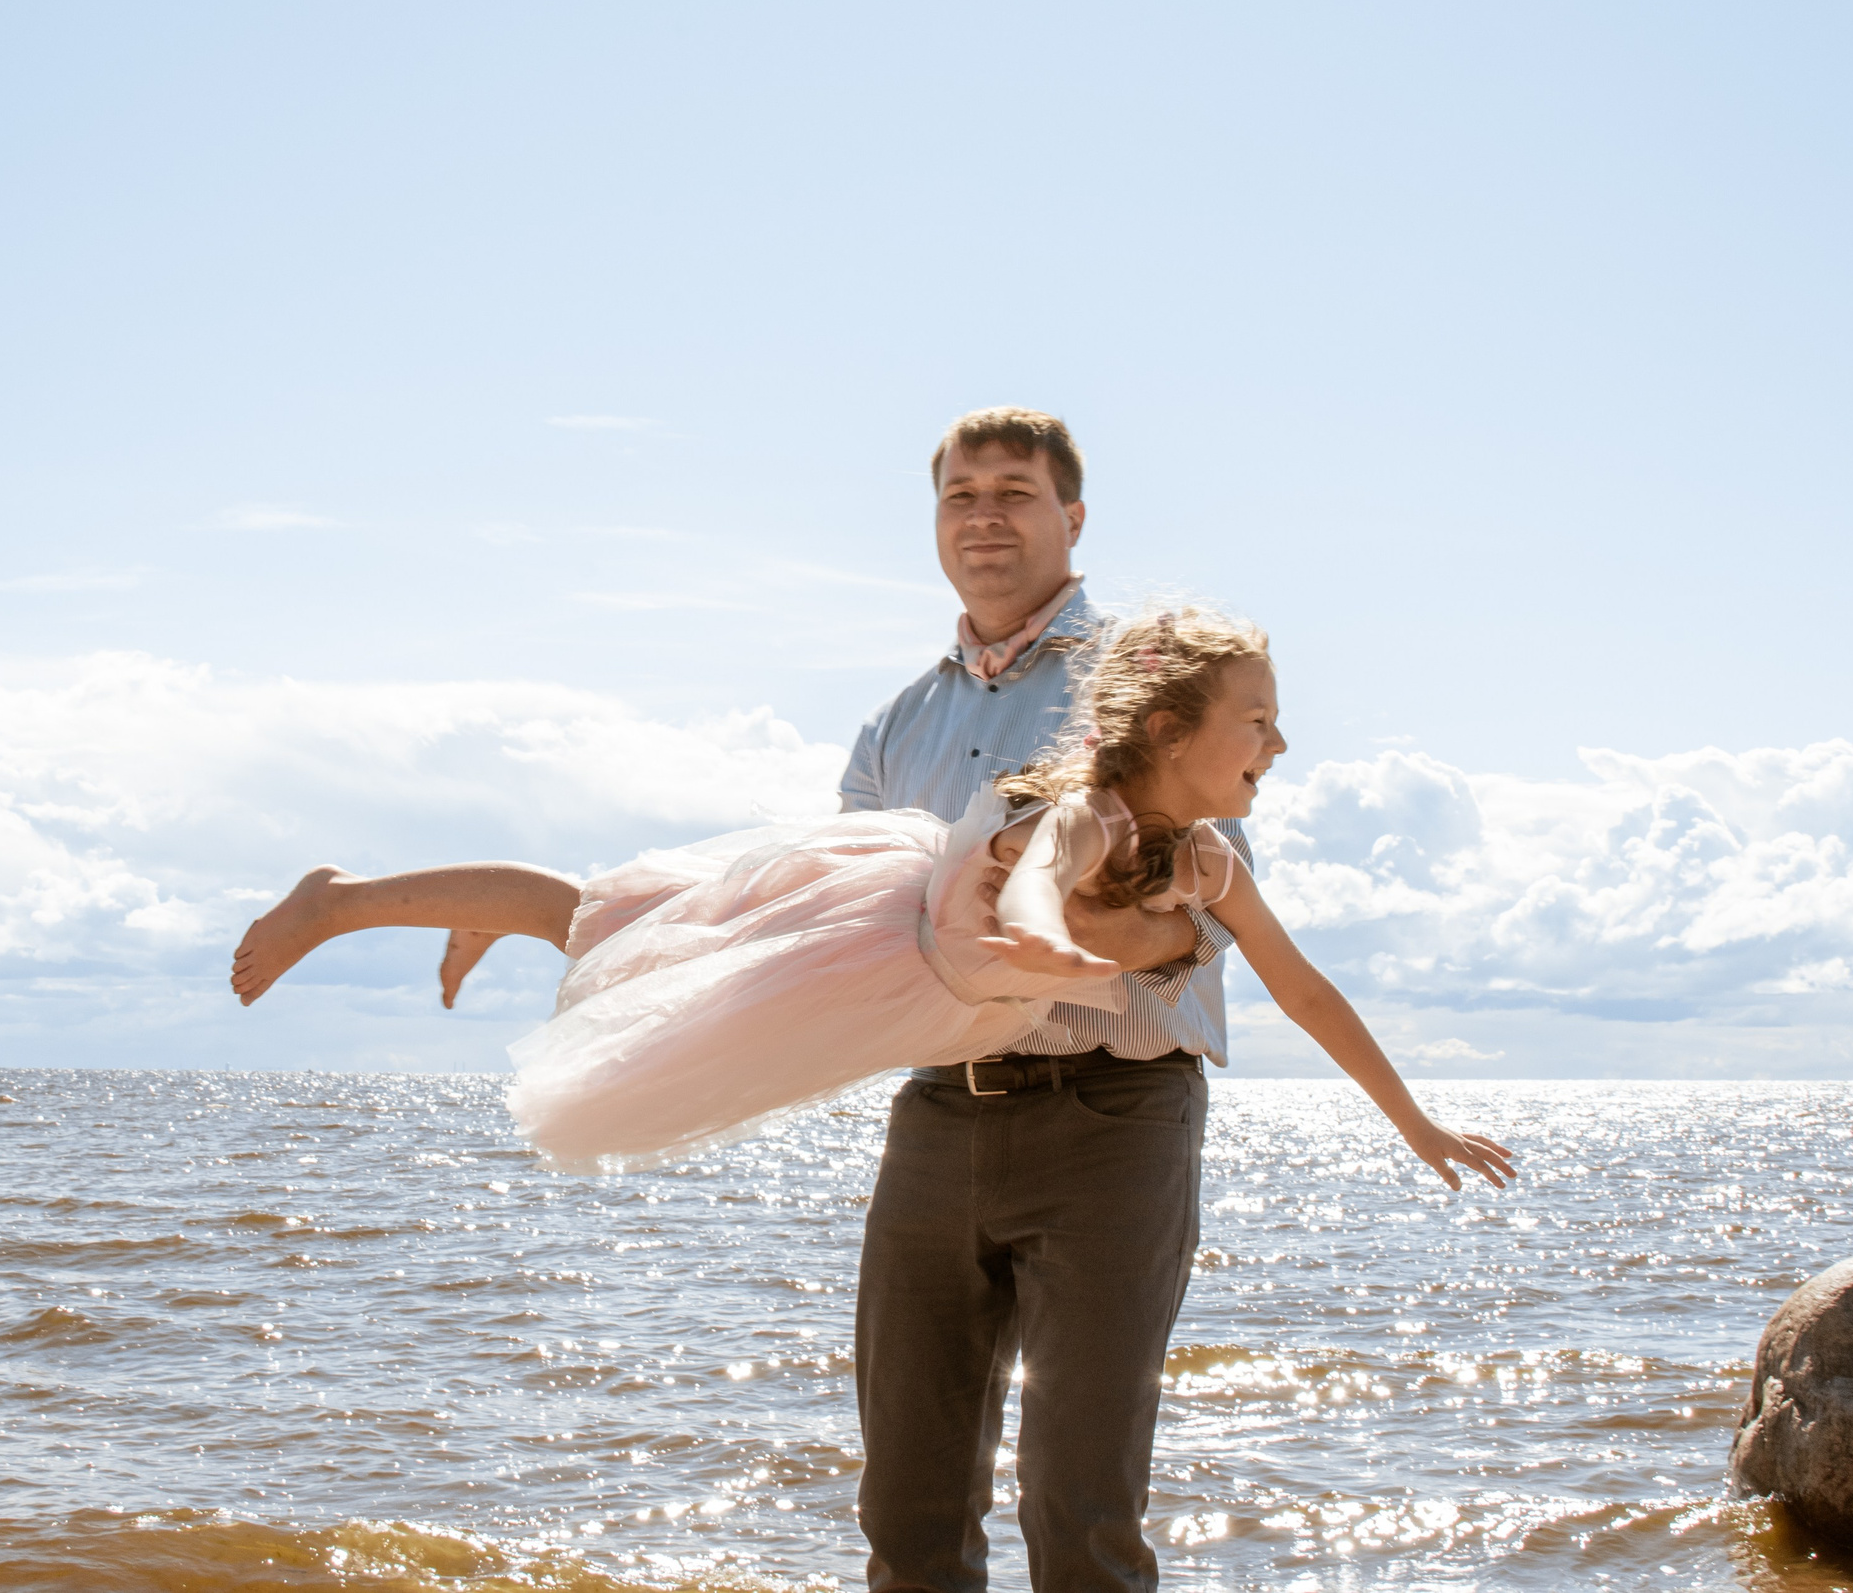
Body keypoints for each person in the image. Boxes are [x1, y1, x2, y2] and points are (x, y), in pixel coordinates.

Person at [228, 407, 1513, 1591]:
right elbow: (852, 914)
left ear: (1075, 518)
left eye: (1016, 492)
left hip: (1115, 1122)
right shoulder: (900, 719)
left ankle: (422, 903)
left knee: (1080, 1502)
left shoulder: (1149, 676)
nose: (985, 515)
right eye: (960, 494)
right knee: (905, 1503)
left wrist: (1406, 1117)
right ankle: (369, 899)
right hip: (940, 1105)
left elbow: (1221, 928)